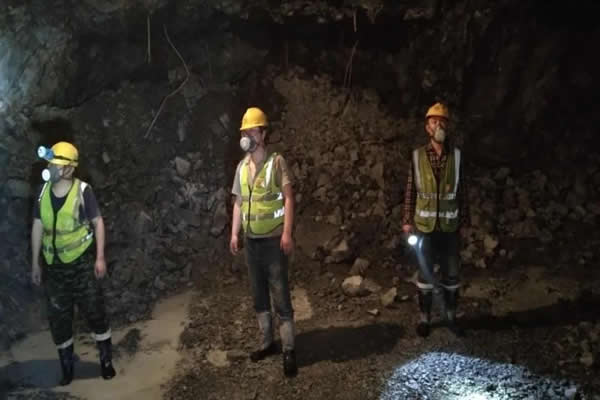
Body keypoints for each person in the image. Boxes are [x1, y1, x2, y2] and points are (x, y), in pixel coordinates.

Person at [31, 141, 116, 385]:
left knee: (95, 311)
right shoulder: (43, 192)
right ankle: (67, 369)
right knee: (59, 318)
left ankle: (106, 362)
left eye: (56, 164)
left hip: (81, 264)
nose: (51, 168)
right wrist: (35, 263)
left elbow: (98, 222)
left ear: (69, 169)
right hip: (54, 266)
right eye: (50, 163)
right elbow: (37, 226)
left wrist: (99, 258)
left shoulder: (83, 191)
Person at [229, 107, 297, 377]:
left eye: (253, 131)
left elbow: (289, 198)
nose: (248, 136)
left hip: (273, 241)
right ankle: (267, 342)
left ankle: (289, 349)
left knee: (280, 293)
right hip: (251, 242)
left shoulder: (276, 163)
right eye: (245, 132)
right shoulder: (241, 167)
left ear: (264, 134)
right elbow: (238, 203)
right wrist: (234, 234)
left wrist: (287, 233)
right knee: (258, 294)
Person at [402, 103, 470, 338]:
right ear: (427, 127)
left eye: (442, 121)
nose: (438, 125)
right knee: (425, 274)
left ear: (447, 127)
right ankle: (425, 319)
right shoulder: (418, 156)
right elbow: (411, 190)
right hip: (425, 226)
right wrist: (407, 220)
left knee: (452, 274)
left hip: (450, 227)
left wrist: (465, 222)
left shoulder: (456, 156)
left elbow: (462, 192)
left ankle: (451, 317)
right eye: (434, 121)